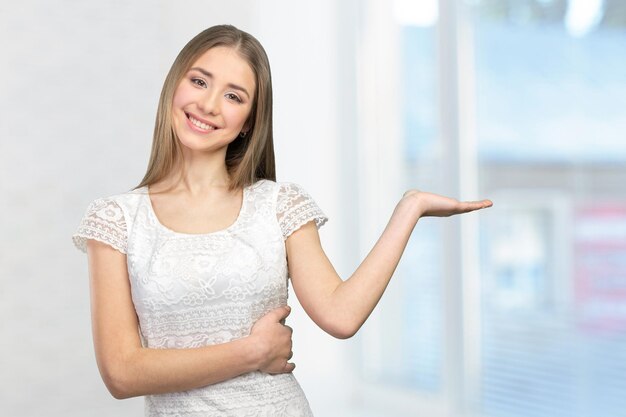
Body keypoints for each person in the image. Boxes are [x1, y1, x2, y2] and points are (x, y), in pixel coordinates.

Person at [72, 24, 492, 417]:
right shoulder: (116, 219)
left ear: (248, 122)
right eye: (199, 81)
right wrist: (252, 352)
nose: (208, 104)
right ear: (174, 86)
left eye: (234, 96)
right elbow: (122, 374)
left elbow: (341, 316)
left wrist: (409, 210)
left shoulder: (278, 204)